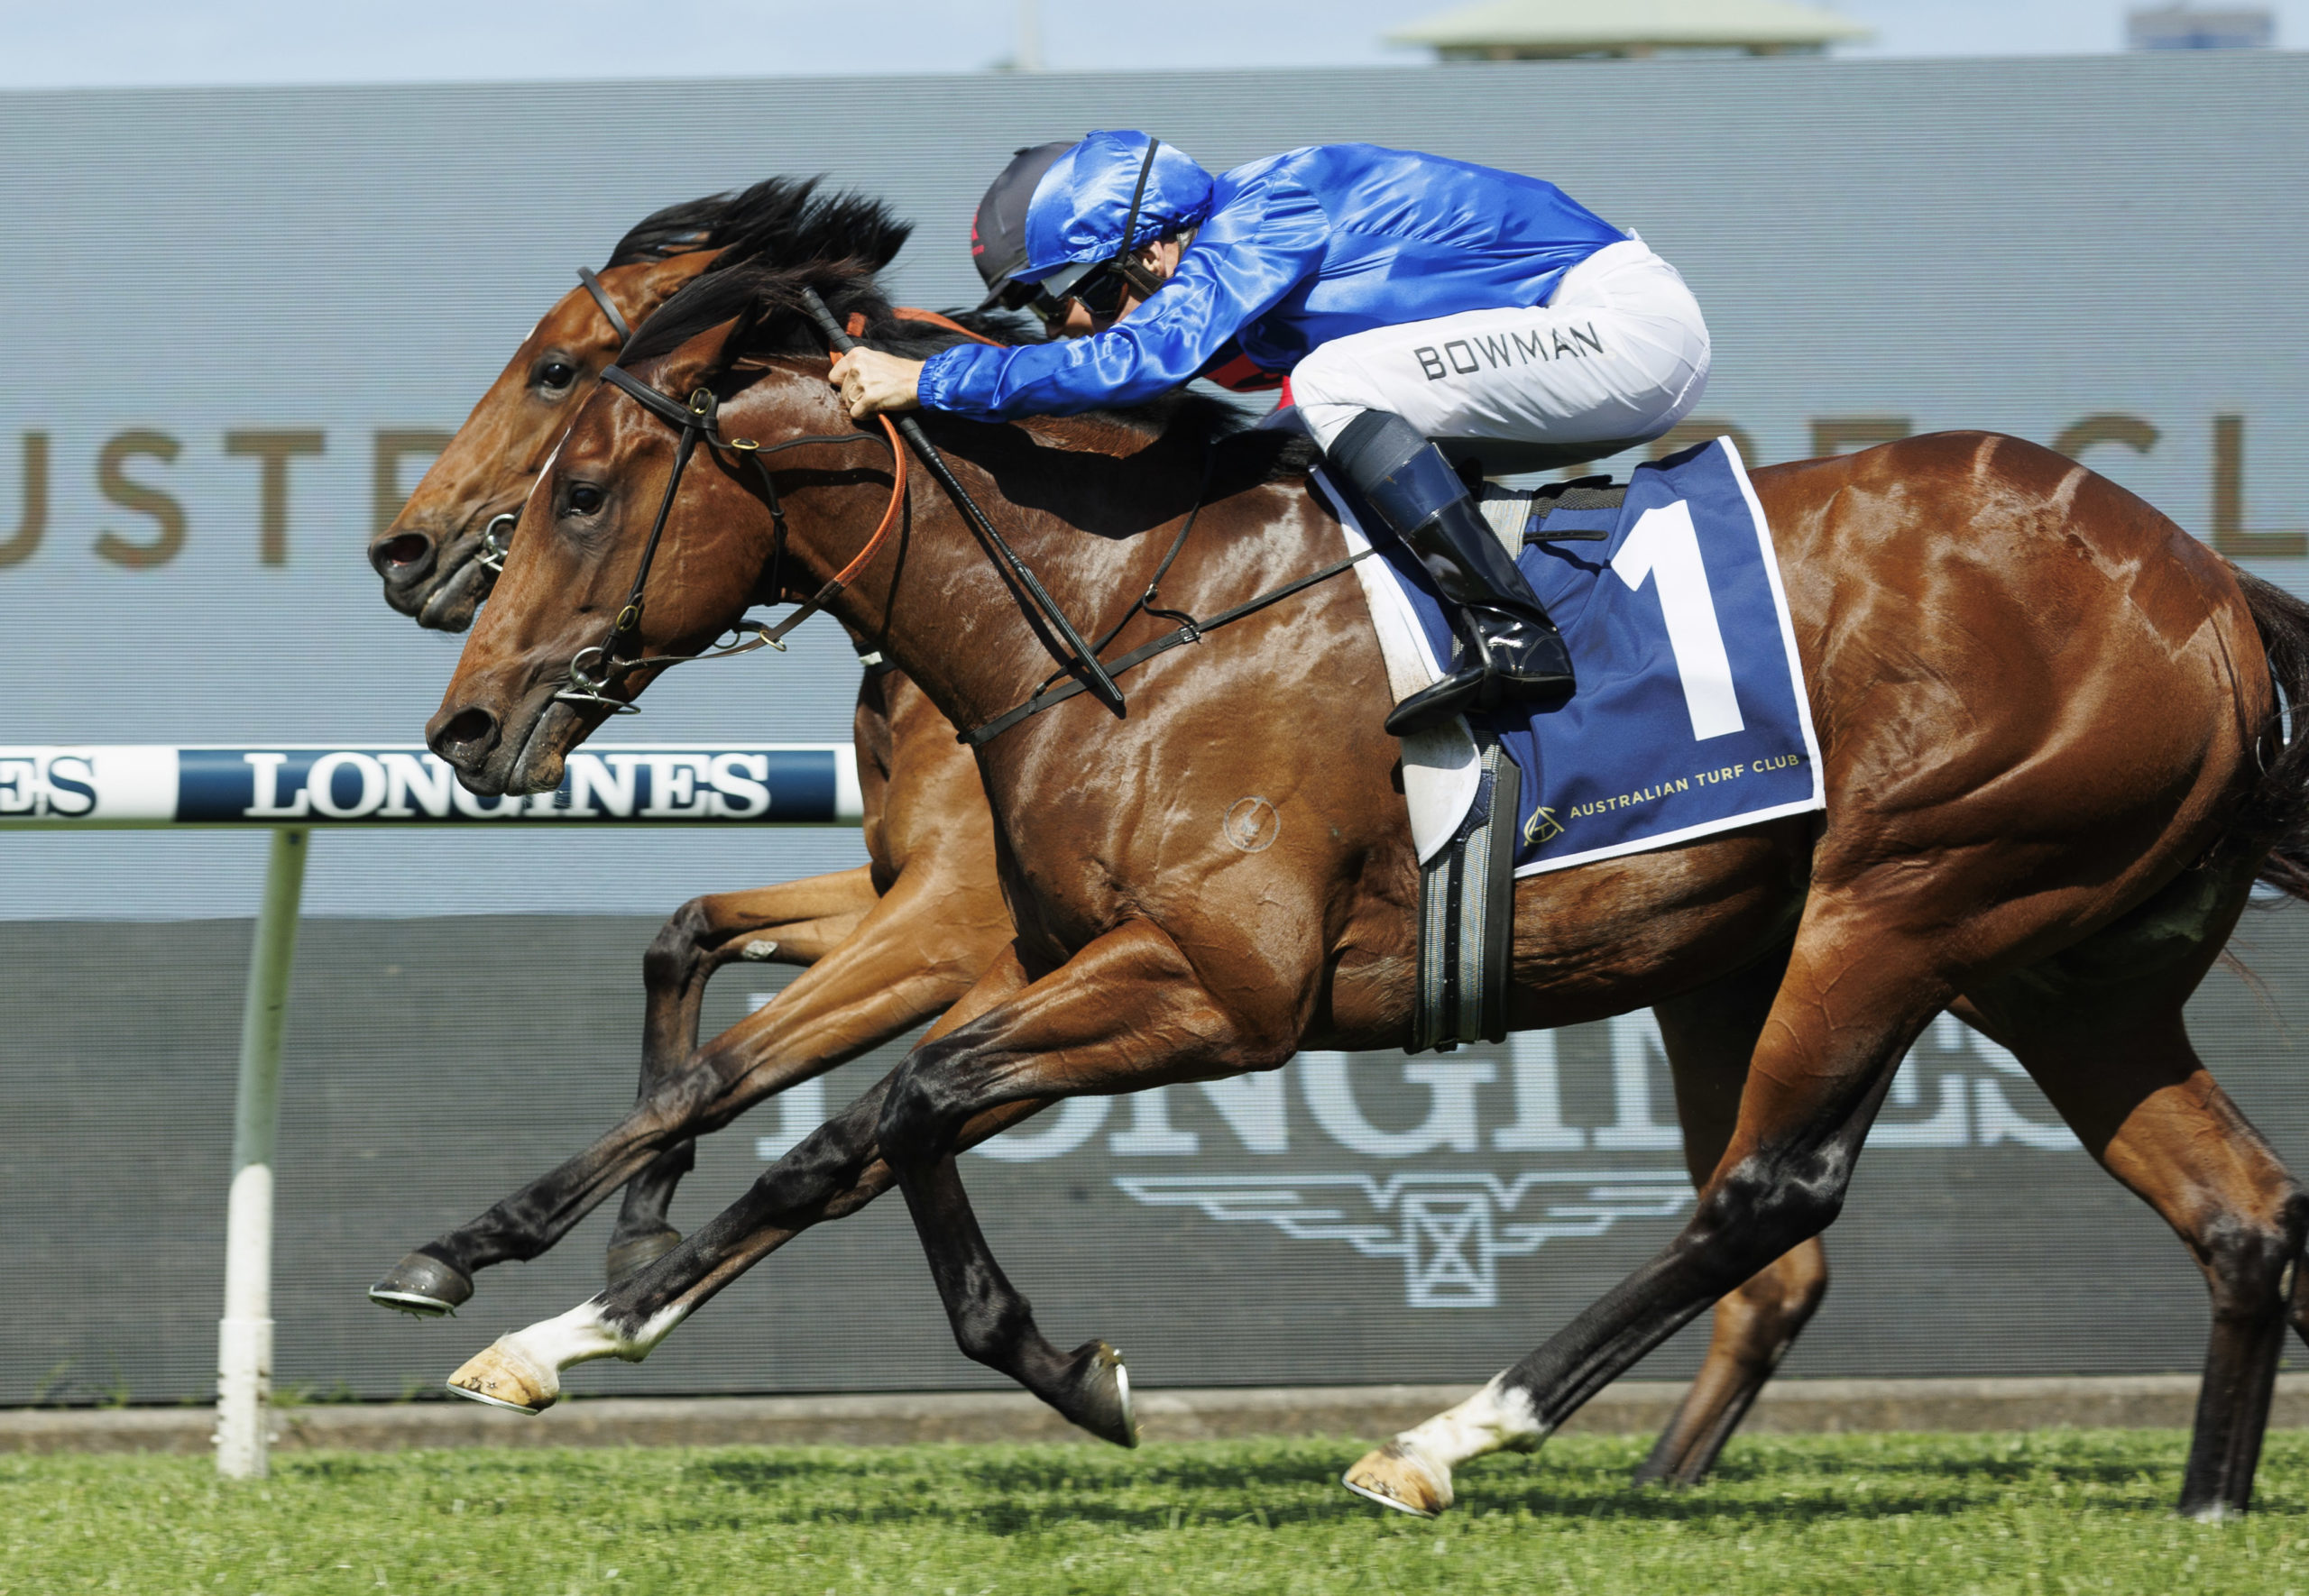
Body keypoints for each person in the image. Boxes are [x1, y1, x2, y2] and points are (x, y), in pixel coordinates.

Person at [829, 132, 1711, 735]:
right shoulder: (1230, 244)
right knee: (1277, 456)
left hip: (1626, 329)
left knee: (1329, 384)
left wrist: (928, 378)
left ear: (1153, 248)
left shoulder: (1266, 208)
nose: (1074, 323)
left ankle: (1515, 637)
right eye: (1047, 310)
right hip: (1560, 348)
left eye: (1085, 293)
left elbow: (1145, 359)